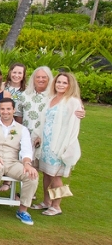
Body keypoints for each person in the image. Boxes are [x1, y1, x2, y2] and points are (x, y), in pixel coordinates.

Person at [0, 98, 39, 226]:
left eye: (8, 109)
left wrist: (27, 164)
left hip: (13, 161)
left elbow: (26, 150)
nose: (5, 111)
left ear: (14, 110)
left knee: (32, 176)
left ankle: (23, 209)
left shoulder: (22, 129)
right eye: (2, 109)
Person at [32, 72, 82, 216]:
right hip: (46, 143)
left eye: (64, 83)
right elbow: (44, 121)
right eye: (58, 82)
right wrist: (39, 136)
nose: (60, 85)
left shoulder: (72, 101)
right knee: (47, 174)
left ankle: (57, 205)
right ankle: (47, 201)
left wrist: (66, 146)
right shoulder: (51, 99)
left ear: (70, 85)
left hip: (59, 145)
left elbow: (73, 126)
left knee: (56, 176)